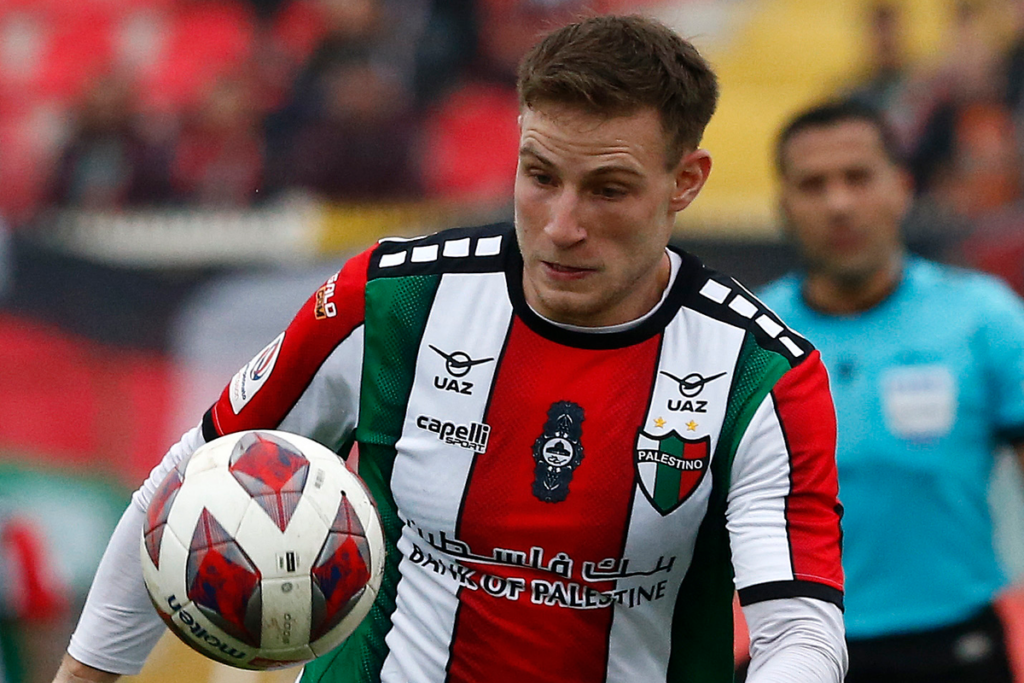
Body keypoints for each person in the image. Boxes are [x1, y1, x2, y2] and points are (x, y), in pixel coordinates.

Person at [53, 15, 847, 683]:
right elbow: (183, 484)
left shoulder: (760, 376)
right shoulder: (395, 303)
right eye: (540, 176)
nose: (563, 225)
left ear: (686, 181)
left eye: (608, 189)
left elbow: (800, 633)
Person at [760, 98, 1024, 682]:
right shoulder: (750, 340)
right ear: (783, 204)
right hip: (794, 650)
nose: (839, 203)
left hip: (954, 649)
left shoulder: (984, 319)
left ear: (902, 187)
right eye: (813, 184)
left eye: (858, 177)